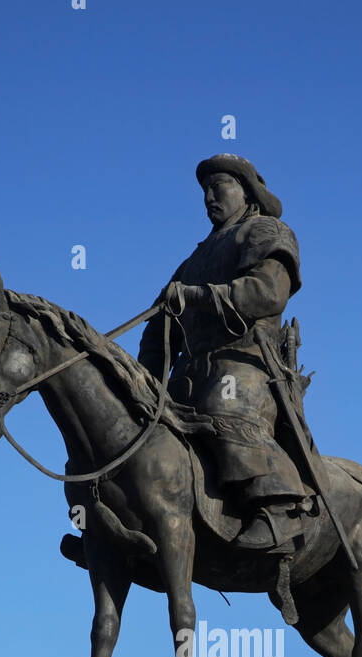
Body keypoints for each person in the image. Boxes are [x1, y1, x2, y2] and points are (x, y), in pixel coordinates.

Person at [138, 154, 312, 551]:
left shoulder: (267, 231)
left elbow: (268, 292)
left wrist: (198, 296)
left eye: (219, 187)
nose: (208, 197)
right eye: (204, 190)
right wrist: (142, 383)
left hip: (244, 363)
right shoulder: (193, 260)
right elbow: (159, 329)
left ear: (246, 191)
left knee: (222, 410)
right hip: (188, 374)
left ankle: (280, 509)